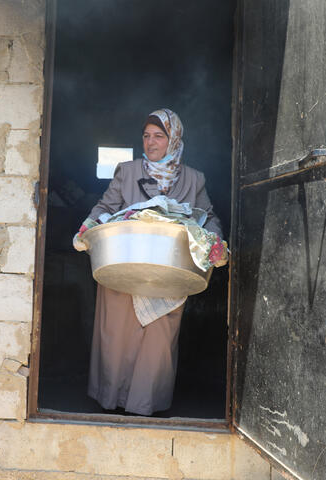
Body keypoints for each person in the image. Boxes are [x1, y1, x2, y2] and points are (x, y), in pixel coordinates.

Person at [74, 108, 223, 416]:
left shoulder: (194, 180)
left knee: (157, 343)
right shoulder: (127, 172)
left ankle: (144, 406)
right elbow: (106, 205)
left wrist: (216, 242)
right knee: (117, 337)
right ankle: (110, 403)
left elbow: (209, 218)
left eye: (159, 136)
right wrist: (87, 226)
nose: (151, 143)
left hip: (168, 271)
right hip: (124, 264)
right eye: (146, 136)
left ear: (175, 139)